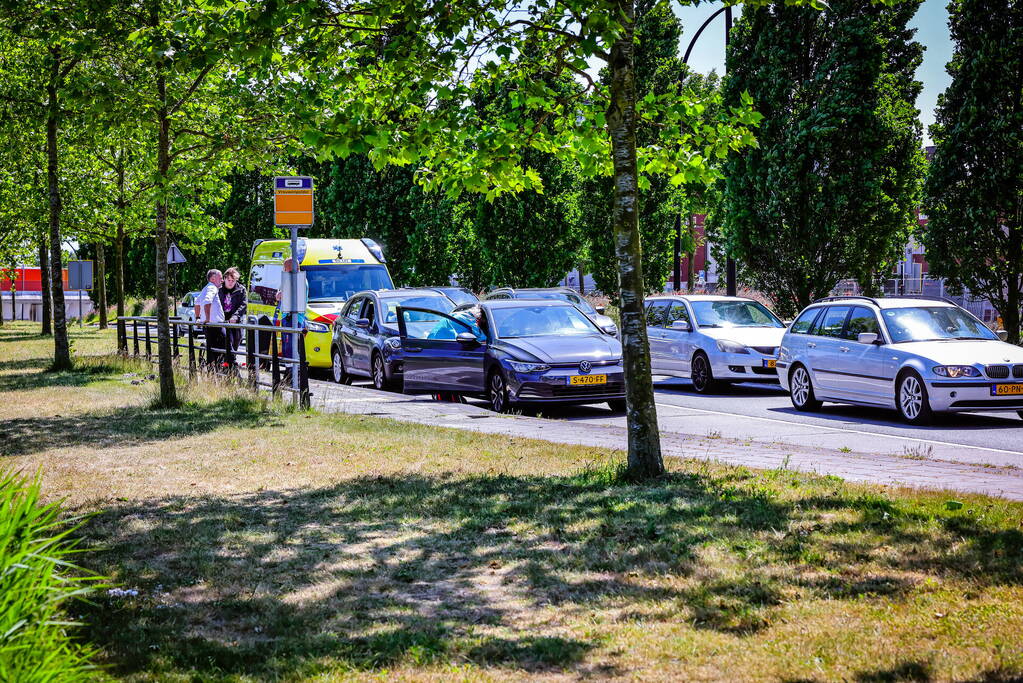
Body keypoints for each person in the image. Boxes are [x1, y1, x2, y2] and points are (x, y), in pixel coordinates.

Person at [195, 269, 226, 370]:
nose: (222, 280)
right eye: (220, 278)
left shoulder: (206, 288)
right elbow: (207, 301)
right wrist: (207, 318)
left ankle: (212, 373)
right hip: (215, 326)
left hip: (210, 326)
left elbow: (197, 302)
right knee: (225, 350)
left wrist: (198, 318)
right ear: (213, 278)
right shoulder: (212, 288)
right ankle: (220, 372)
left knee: (212, 351)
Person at [219, 267, 247, 368]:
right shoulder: (219, 290)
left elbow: (243, 304)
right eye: (229, 280)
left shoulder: (241, 289)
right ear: (224, 279)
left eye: (233, 280)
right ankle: (230, 361)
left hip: (236, 319)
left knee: (237, 338)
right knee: (228, 338)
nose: (231, 283)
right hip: (223, 318)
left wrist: (236, 316)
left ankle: (231, 357)